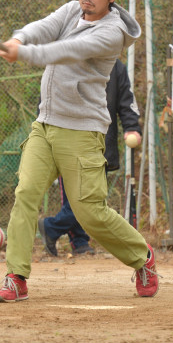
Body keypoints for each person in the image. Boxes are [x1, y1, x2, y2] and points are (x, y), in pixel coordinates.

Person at [0, 0, 159, 302]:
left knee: (90, 212)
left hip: (82, 131)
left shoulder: (111, 33)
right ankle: (16, 277)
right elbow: (43, 27)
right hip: (45, 124)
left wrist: (23, 53)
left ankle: (142, 258)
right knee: (26, 194)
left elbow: (68, 50)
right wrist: (18, 38)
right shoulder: (71, 10)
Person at [38, 58, 142, 257]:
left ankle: (59, 232)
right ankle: (75, 239)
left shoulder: (115, 66)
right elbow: (46, 103)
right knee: (74, 198)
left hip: (99, 144)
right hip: (66, 141)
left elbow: (126, 101)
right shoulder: (65, 59)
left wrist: (131, 127)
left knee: (92, 198)